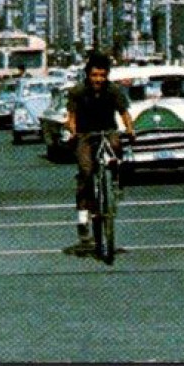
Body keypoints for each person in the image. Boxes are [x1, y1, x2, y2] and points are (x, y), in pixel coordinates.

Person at [63, 51, 135, 249]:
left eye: (102, 76)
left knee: (116, 146)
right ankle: (83, 218)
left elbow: (124, 113)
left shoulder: (113, 91)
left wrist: (130, 130)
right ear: (88, 74)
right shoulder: (77, 91)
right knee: (86, 171)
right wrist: (72, 131)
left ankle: (115, 182)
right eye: (94, 75)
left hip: (107, 130)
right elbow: (71, 116)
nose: (98, 79)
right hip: (85, 134)